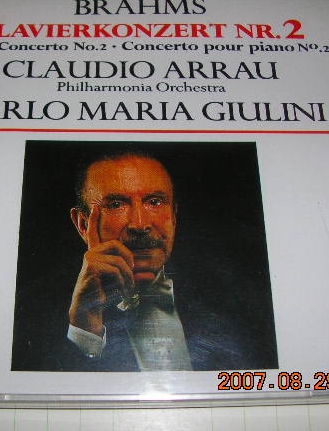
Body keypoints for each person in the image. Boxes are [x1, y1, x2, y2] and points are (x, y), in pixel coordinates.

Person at [65, 151, 251, 371]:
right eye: (116, 204)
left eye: (155, 202)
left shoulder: (233, 300)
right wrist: (85, 329)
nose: (140, 224)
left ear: (174, 216)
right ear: (83, 224)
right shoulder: (40, 308)